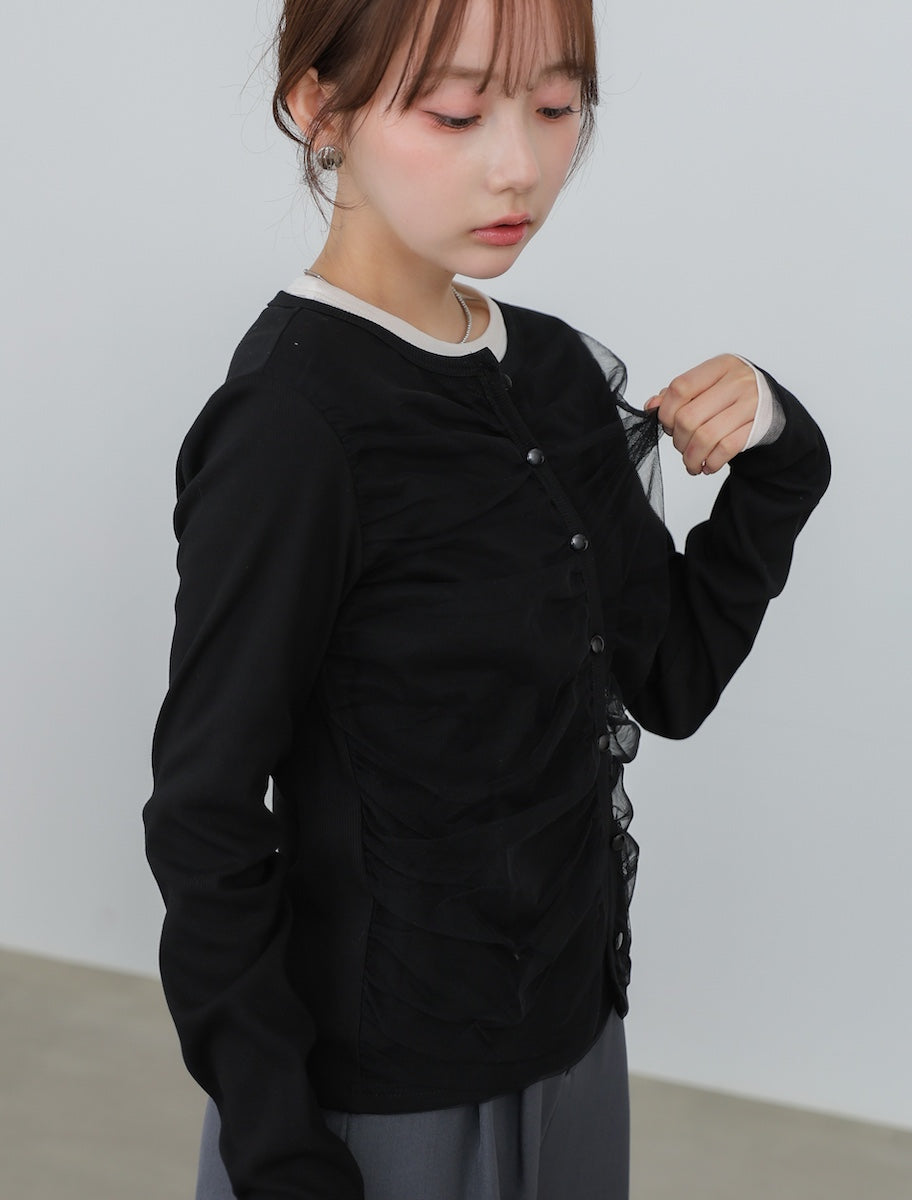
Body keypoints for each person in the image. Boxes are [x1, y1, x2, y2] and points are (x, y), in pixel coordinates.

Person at [142, 0, 831, 1196]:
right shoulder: (289, 430)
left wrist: (778, 448)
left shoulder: (549, 368)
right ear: (319, 108)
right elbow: (204, 813)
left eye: (556, 106)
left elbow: (666, 677)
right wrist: (279, 1147)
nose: (518, 164)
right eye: (456, 113)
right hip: (383, 1093)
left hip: (572, 1040)